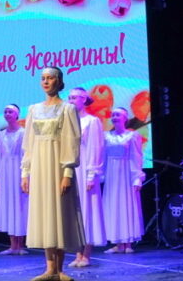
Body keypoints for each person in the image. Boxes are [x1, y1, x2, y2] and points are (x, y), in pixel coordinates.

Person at [20, 67, 85, 281]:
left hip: (57, 165)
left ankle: (60, 269)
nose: (46, 82)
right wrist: (25, 172)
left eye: (50, 78)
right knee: (44, 214)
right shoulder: (33, 109)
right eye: (43, 78)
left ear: (59, 81)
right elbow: (28, 143)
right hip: (39, 166)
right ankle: (50, 269)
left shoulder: (67, 109)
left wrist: (67, 172)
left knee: (60, 213)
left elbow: (72, 141)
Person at [67, 88, 106, 267]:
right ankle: (77, 254)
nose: (71, 100)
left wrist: (91, 174)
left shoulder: (92, 121)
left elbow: (96, 148)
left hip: (86, 168)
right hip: (71, 170)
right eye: (69, 98)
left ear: (84, 99)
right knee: (74, 211)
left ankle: (86, 254)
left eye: (74, 97)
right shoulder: (66, 122)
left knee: (88, 209)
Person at [102, 107, 144, 254]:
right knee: (113, 205)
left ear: (125, 118)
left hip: (126, 173)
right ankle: (117, 243)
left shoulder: (132, 136)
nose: (114, 117)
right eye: (113, 115)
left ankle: (128, 243)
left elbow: (136, 157)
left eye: (118, 115)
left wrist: (137, 178)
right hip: (112, 174)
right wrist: (101, 175)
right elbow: (103, 157)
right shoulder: (106, 136)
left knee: (127, 204)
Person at [0, 105, 28, 255]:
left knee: (20, 206)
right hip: (5, 173)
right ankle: (13, 245)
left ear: (17, 115)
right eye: (5, 111)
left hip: (18, 171)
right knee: (8, 206)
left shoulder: (23, 133)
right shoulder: (0, 135)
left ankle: (20, 245)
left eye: (10, 111)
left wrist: (26, 176)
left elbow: (27, 155)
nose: (7, 114)